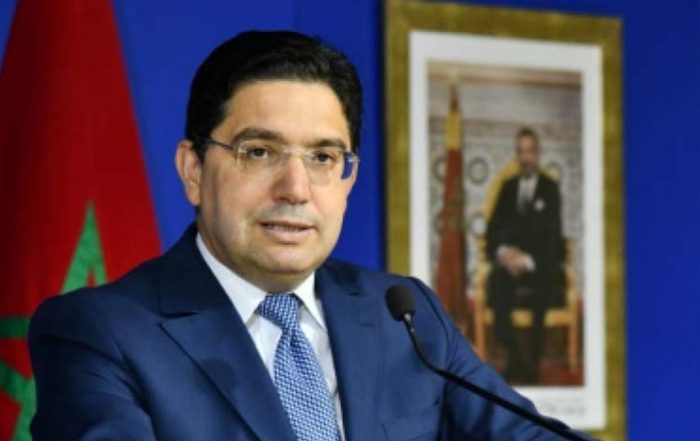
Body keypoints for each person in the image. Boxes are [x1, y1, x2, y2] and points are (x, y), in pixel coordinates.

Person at [29, 31, 588, 440]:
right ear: (193, 170)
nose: (295, 189)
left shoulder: (404, 317)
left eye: (322, 157)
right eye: (259, 152)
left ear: (349, 179)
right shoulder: (99, 334)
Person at [486, 128, 566, 384]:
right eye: (521, 151)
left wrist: (528, 261)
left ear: (537, 153)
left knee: (543, 284)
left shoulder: (550, 188)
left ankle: (531, 363)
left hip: (538, 266)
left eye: (529, 151)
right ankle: (514, 358)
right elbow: (493, 229)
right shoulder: (508, 188)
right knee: (496, 281)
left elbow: (553, 237)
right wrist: (504, 253)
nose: (525, 157)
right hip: (510, 265)